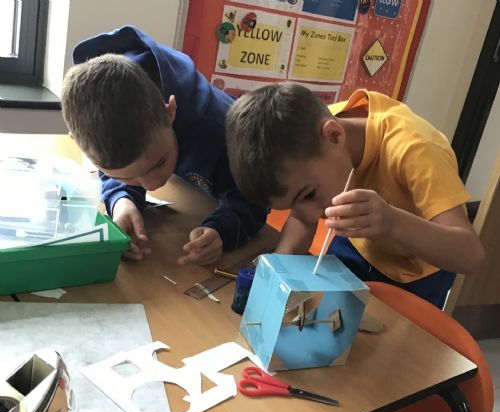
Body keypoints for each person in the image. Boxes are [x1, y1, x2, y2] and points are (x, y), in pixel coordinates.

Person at [225, 83, 484, 308]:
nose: (315, 215)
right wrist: (276, 273)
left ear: (334, 135)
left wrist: (393, 222)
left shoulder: (416, 150)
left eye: (308, 195)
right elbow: (303, 218)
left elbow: (470, 255)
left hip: (417, 271)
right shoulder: (314, 138)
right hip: (357, 243)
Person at [61, 25, 266, 265]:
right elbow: (119, 169)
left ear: (170, 112)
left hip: (243, 161)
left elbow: (254, 198)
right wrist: (122, 200)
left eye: (158, 163)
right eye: (128, 177)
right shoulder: (110, 125)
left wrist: (222, 231)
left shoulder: (222, 132)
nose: (152, 185)